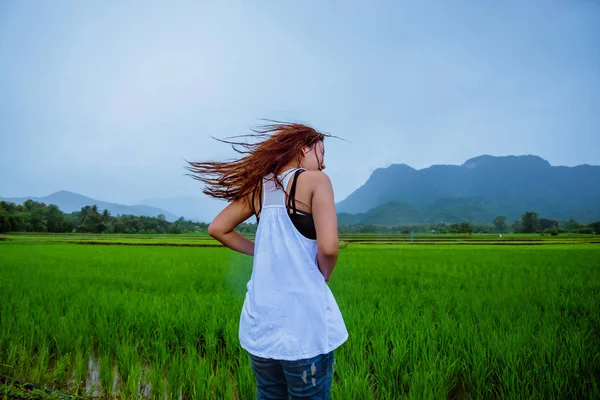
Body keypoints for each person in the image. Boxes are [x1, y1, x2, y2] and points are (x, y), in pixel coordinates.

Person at [186, 122, 348, 399]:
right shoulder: (317, 181)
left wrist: (261, 252)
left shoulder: (262, 187)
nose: (323, 163)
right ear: (304, 148)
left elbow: (218, 228)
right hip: (302, 327)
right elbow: (329, 248)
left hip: (260, 326)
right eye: (321, 153)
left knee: (269, 395)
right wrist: (325, 273)